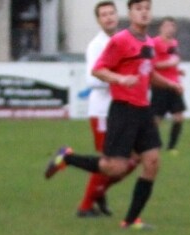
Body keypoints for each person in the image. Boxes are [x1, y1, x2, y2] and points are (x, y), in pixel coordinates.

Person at [44, 0, 182, 230]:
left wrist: (170, 84)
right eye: (138, 9)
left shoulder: (149, 42)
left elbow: (148, 73)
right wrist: (120, 79)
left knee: (152, 162)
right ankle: (67, 158)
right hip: (123, 109)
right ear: (130, 13)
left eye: (147, 9)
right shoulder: (120, 40)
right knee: (114, 167)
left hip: (143, 110)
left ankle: (130, 220)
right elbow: (98, 69)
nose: (144, 13)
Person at [74, 1, 123, 218]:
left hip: (121, 109)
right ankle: (85, 206)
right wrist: (118, 78)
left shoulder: (123, 40)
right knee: (109, 162)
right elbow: (92, 79)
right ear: (98, 20)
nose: (109, 17)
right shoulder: (96, 46)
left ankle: (98, 193)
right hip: (102, 111)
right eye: (104, 15)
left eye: (111, 13)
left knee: (129, 159)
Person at [150, 17, 187, 153]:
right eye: (167, 26)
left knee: (179, 117)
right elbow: (152, 65)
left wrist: (178, 70)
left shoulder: (174, 43)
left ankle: (172, 147)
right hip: (161, 85)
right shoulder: (154, 43)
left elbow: (172, 62)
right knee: (156, 119)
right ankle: (153, 144)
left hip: (175, 85)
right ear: (161, 28)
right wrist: (170, 64)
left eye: (172, 26)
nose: (170, 29)